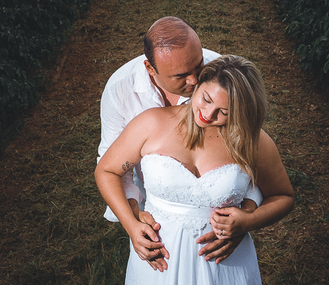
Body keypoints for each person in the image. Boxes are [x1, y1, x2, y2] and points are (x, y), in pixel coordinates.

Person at [96, 55, 295, 284]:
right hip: (158, 265)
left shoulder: (253, 140)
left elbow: (283, 196)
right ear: (198, 85)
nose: (208, 115)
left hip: (224, 267)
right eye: (206, 99)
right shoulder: (151, 123)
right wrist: (131, 226)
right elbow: (107, 171)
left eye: (225, 112)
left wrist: (248, 221)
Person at [99, 18, 262, 265]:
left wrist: (246, 217)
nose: (195, 81)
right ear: (150, 69)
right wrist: (132, 220)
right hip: (156, 210)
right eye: (181, 76)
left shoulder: (219, 77)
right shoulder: (119, 90)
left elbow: (248, 154)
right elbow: (112, 165)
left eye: (198, 66)